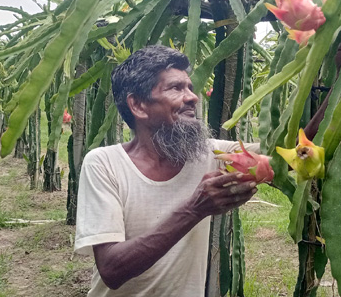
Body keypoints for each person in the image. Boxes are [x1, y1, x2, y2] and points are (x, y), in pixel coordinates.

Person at [74, 45, 258, 296]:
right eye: (176, 88)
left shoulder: (211, 154)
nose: (193, 97)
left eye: (190, 88)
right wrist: (194, 210)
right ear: (138, 105)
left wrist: (331, 90)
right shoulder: (104, 164)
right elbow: (111, 269)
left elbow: (291, 154)